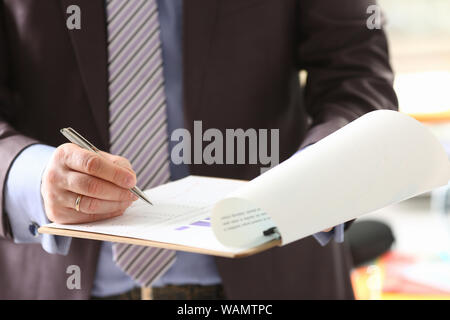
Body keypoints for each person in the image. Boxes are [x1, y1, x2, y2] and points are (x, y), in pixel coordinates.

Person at [0, 0, 397, 299]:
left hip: (273, 278)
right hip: (51, 280)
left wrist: (330, 163)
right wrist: (30, 179)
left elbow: (356, 70)